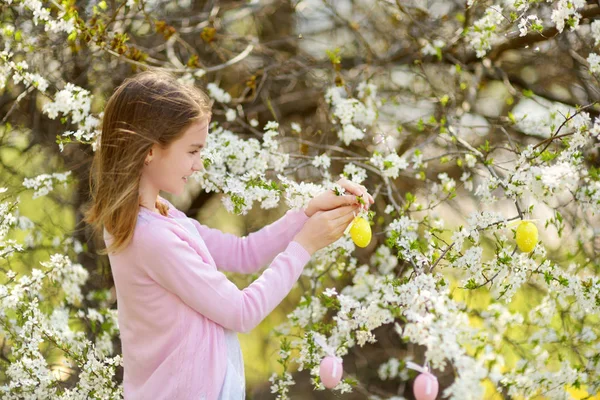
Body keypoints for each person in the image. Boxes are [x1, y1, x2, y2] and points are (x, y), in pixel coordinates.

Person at [83, 69, 374, 400]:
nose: (199, 165)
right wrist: (304, 245)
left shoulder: (157, 216)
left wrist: (307, 212)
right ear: (150, 150)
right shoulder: (151, 239)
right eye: (192, 151)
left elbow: (243, 253)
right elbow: (242, 311)